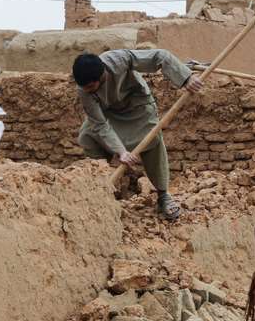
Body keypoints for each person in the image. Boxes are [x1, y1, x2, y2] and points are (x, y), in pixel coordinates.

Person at [72, 49, 203, 220]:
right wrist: (121, 151)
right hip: (110, 113)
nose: (87, 90)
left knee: (152, 140)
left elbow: (159, 56)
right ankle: (101, 188)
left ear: (102, 75)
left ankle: (163, 195)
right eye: (84, 87)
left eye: (91, 87)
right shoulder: (84, 90)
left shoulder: (118, 60)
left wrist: (186, 78)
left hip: (137, 106)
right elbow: (99, 124)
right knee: (87, 137)